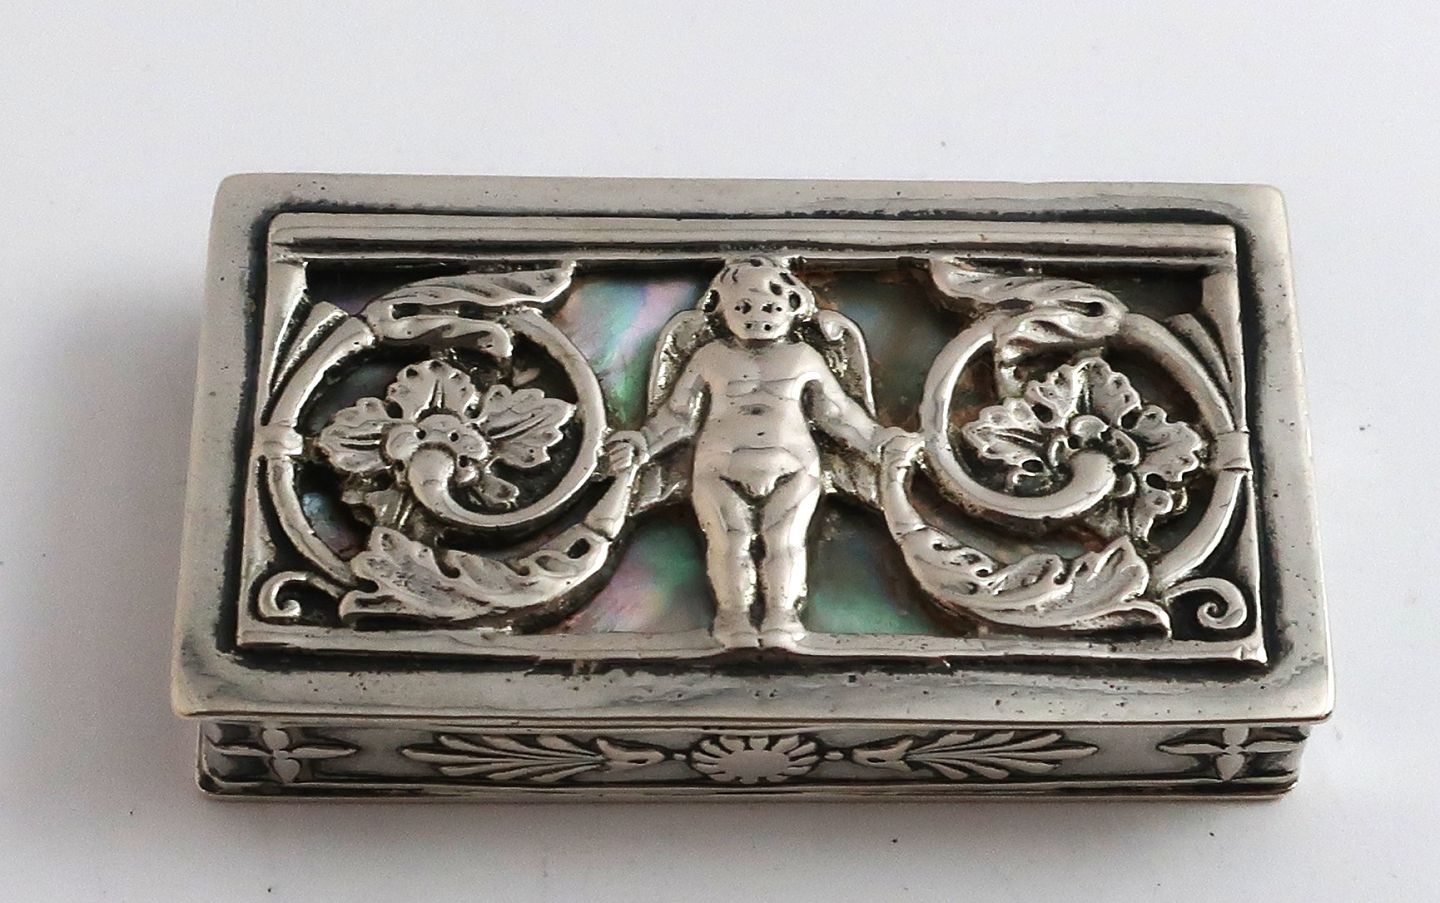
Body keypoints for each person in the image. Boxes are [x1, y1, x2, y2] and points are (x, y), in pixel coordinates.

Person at [605, 257, 899, 648]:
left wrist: (879, 442)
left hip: (793, 467)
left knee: (786, 542)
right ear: (720, 309)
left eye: (770, 307)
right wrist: (643, 443)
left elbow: (837, 413)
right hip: (719, 468)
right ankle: (733, 619)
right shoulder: (710, 357)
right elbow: (678, 416)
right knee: (729, 542)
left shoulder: (804, 357)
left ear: (793, 306)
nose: (758, 317)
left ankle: (781, 616)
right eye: (743, 307)